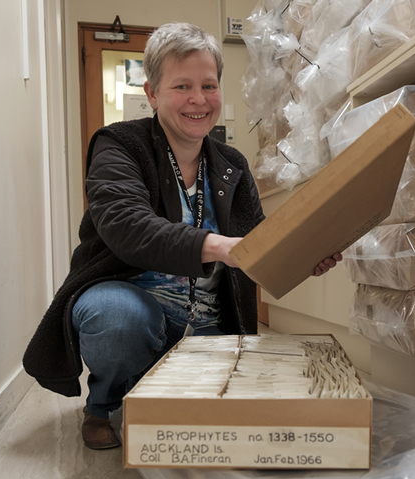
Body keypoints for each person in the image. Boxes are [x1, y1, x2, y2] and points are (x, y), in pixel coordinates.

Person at [22, 22, 341, 450]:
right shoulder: (118, 145)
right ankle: (104, 404)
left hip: (208, 322)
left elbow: (257, 244)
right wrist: (218, 246)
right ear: (152, 93)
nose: (199, 99)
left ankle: (163, 390)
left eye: (209, 85)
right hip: (134, 309)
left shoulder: (231, 164)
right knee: (117, 321)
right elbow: (127, 225)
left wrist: (303, 254)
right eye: (182, 86)